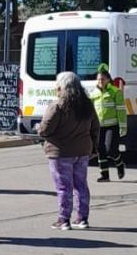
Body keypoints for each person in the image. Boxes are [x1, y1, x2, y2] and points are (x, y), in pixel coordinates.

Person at [38, 71, 100, 230]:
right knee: (81, 185)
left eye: (57, 85)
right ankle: (82, 218)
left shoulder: (57, 106)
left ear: (62, 87)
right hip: (83, 151)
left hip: (61, 153)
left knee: (63, 187)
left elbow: (45, 130)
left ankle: (63, 219)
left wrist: (38, 128)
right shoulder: (87, 105)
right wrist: (94, 146)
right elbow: (95, 128)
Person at [89, 65, 126, 182]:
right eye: (99, 79)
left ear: (108, 80)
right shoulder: (93, 93)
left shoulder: (115, 92)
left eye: (103, 79)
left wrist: (123, 126)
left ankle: (120, 164)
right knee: (100, 150)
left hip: (112, 125)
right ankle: (105, 175)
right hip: (99, 126)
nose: (100, 81)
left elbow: (121, 109)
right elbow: (90, 111)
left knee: (111, 149)